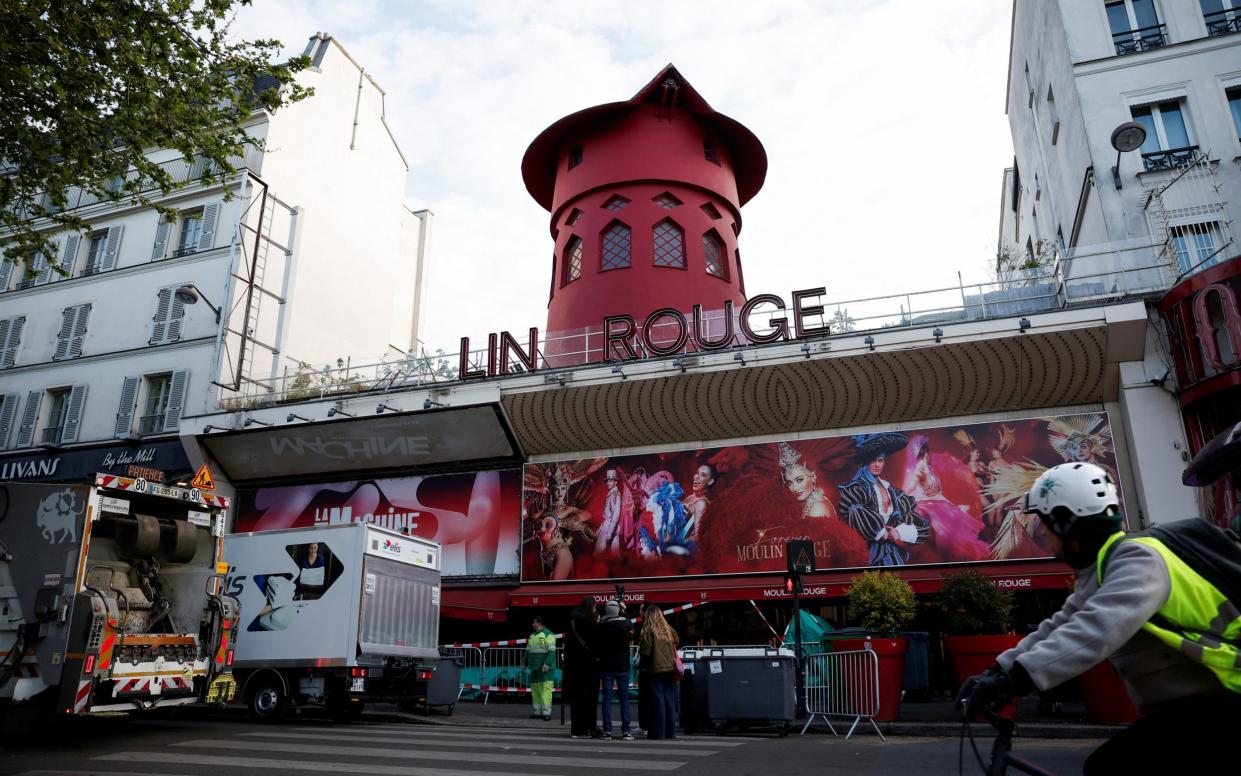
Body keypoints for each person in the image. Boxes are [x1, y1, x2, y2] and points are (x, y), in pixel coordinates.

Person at [956, 461, 1241, 774]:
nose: (1042, 534)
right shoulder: (1102, 568)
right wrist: (996, 669)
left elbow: (1097, 627)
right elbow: (1059, 626)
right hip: (1189, 708)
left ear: (1066, 523)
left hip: (1224, 698)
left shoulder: (1139, 559)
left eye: (1044, 524)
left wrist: (1016, 679)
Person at [837, 433, 930, 566]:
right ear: (865, 462)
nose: (877, 464)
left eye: (880, 460)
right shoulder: (854, 489)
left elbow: (919, 523)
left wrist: (898, 532)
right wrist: (882, 533)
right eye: (873, 460)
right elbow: (853, 515)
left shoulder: (893, 492)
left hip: (893, 555)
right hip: (866, 556)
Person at [638, 604, 680, 740]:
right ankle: (670, 731)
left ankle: (658, 732)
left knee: (657, 700)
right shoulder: (669, 629)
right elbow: (677, 641)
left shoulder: (648, 630)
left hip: (654, 669)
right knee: (668, 699)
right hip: (669, 669)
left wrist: (642, 666)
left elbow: (646, 652)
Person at [564, 596, 602, 739]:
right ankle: (587, 727)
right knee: (589, 698)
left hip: (574, 666)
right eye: (595, 606)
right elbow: (597, 639)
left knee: (577, 699)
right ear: (590, 606)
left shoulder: (573, 619)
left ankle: (577, 729)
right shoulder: (589, 622)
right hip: (588, 665)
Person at [598, 600, 635, 739]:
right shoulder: (626, 625)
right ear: (618, 611)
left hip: (607, 665)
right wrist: (625, 611)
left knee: (606, 699)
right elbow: (631, 628)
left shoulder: (602, 626)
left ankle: (607, 730)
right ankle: (626, 730)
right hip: (622, 666)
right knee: (624, 699)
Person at [777, 441, 837, 518]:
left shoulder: (817, 508)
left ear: (813, 476)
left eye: (799, 480)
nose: (794, 488)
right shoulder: (810, 502)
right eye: (789, 483)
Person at [525, 616, 556, 721]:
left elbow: (552, 651)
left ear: (539, 623)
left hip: (545, 670)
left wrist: (547, 664)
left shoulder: (548, 635)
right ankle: (537, 712)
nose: (532, 624)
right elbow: (528, 651)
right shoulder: (532, 636)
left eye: (534, 622)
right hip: (535, 669)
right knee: (536, 691)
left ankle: (546, 713)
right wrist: (524, 662)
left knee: (545, 691)